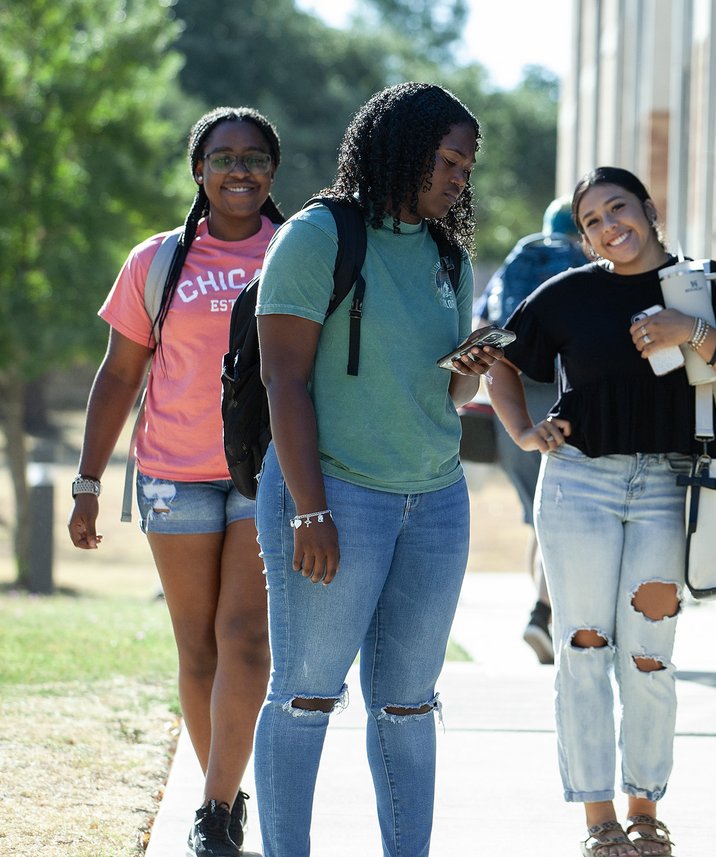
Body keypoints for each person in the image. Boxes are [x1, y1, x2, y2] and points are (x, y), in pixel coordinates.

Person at [487, 166, 716, 857]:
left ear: (649, 207)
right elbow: (498, 359)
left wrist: (691, 330)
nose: (611, 225)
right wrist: (525, 431)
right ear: (582, 238)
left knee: (649, 655)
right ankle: (598, 817)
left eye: (620, 207)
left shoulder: (705, 285)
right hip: (578, 484)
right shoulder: (568, 294)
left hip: (671, 488)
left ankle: (645, 808)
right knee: (583, 647)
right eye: (593, 221)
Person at [252, 82, 491, 857]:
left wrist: (475, 365)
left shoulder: (447, 254)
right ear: (404, 148)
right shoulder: (320, 234)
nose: (460, 178)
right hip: (334, 493)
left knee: (409, 704)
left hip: (436, 500)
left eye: (467, 166)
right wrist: (309, 509)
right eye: (449, 161)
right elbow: (282, 379)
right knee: (306, 694)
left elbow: (449, 388)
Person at [67, 107, 285, 856]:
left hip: (266, 473)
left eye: (255, 158)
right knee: (197, 647)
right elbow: (120, 371)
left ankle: (217, 808)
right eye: (223, 157)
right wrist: (88, 480)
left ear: (272, 173)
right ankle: (221, 788)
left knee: (246, 637)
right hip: (172, 475)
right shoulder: (156, 261)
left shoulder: (296, 253)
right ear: (199, 170)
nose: (239, 170)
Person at [475, 196, 588, 664]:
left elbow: (484, 329)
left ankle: (544, 613)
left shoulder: (517, 263)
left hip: (514, 406)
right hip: (564, 399)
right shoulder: (584, 268)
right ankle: (545, 614)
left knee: (538, 518)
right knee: (562, 514)